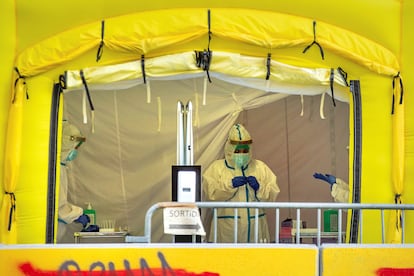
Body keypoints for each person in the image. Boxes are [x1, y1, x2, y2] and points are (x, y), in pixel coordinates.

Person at [203, 123, 280, 243]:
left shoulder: (260, 167)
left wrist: (259, 188)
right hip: (227, 228)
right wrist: (229, 185)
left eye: (245, 150)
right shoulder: (216, 168)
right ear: (230, 149)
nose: (242, 153)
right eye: (237, 150)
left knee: (255, 260)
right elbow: (211, 194)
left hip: (256, 228)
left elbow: (272, 195)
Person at [57, 121, 91, 242]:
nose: (75, 151)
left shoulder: (59, 167)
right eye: (75, 147)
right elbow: (58, 208)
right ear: (66, 144)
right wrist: (78, 214)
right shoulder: (53, 170)